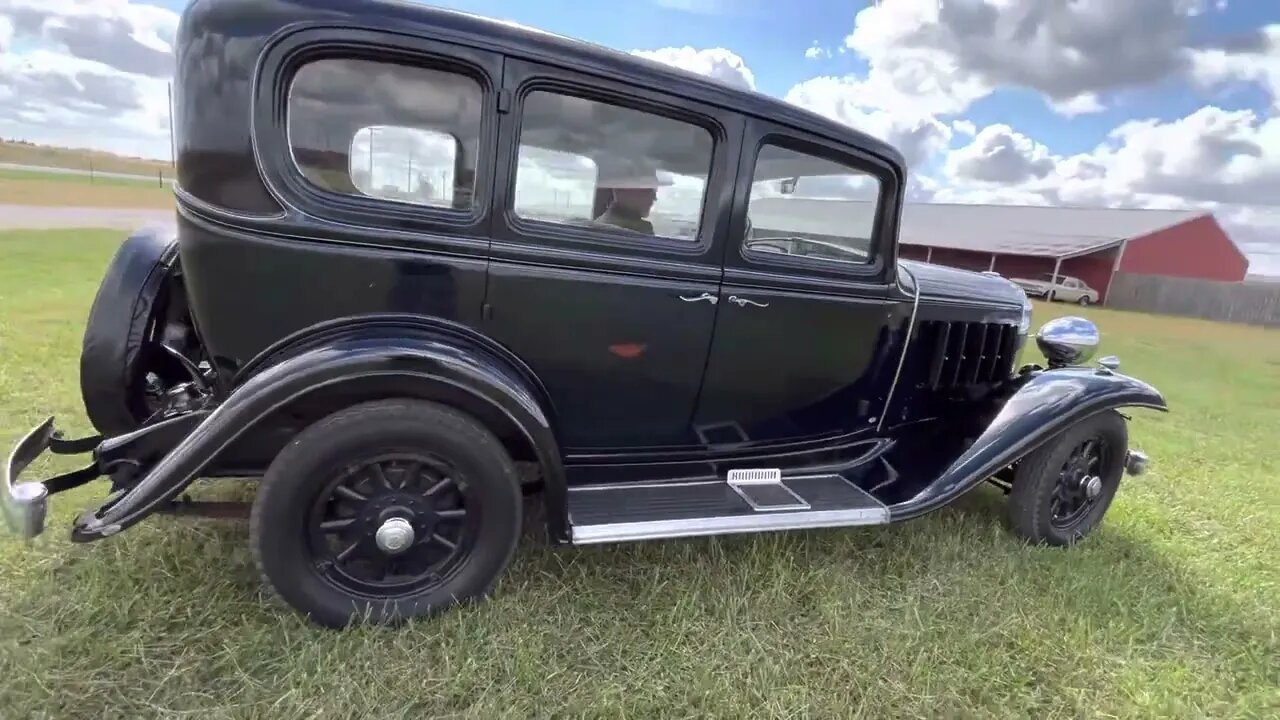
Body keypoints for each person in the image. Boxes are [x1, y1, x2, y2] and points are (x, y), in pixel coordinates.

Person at [593, 165, 673, 236]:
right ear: (619, 190)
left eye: (653, 190)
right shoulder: (622, 233)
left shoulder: (600, 227)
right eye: (647, 190)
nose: (654, 198)